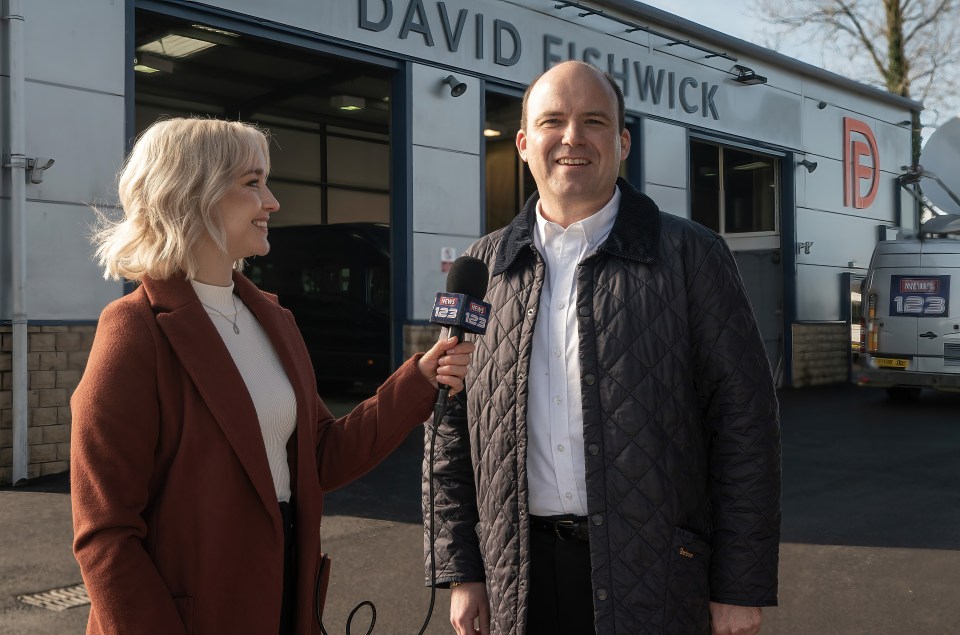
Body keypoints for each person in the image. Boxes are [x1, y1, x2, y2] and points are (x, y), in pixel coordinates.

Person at [71, 117, 475, 635]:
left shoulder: (274, 319)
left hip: (285, 601)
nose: (273, 202)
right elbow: (106, 535)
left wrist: (418, 378)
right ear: (192, 194)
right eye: (251, 183)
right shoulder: (134, 330)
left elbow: (321, 456)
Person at [423, 61, 781, 635]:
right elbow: (449, 428)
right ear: (522, 143)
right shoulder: (483, 267)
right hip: (519, 576)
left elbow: (745, 426)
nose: (572, 137)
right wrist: (463, 570)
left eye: (593, 120)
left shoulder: (692, 256)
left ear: (622, 142)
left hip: (655, 577)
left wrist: (739, 585)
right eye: (552, 121)